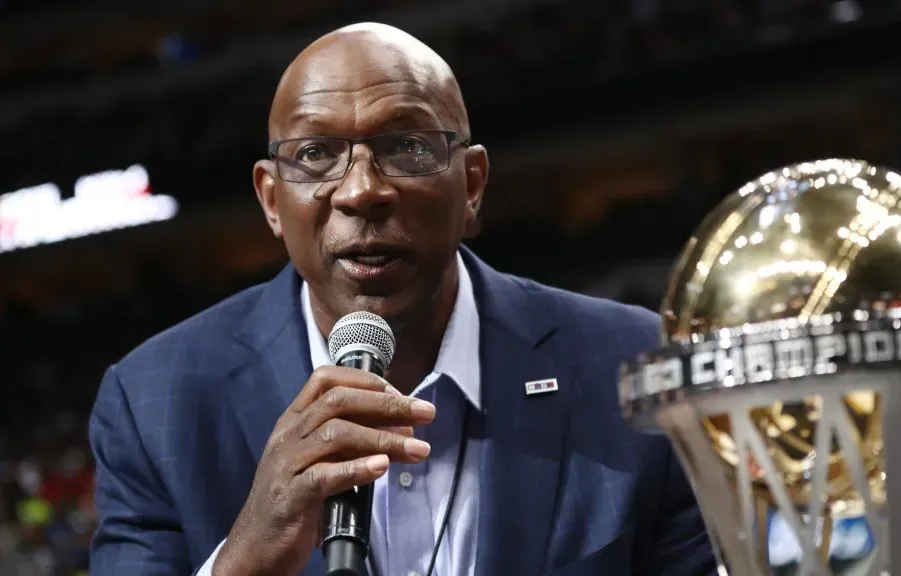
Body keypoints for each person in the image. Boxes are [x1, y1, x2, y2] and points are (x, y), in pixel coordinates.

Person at [86, 22, 714, 576]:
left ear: (471, 185)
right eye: (315, 153)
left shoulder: (634, 365)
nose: (361, 191)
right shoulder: (151, 405)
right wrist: (245, 559)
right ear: (273, 202)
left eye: (407, 147)